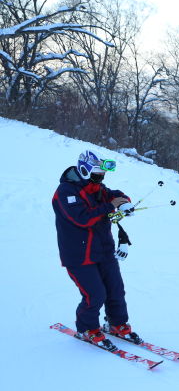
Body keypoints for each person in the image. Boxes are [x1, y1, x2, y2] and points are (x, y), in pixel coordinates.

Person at [52, 150, 140, 350]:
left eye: (102, 176)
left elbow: (115, 195)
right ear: (84, 171)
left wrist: (124, 202)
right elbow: (82, 218)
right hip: (79, 255)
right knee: (95, 294)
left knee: (115, 290)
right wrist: (110, 206)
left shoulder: (96, 187)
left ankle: (117, 324)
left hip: (103, 251)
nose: (100, 179)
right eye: (96, 175)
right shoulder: (66, 191)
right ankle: (87, 329)